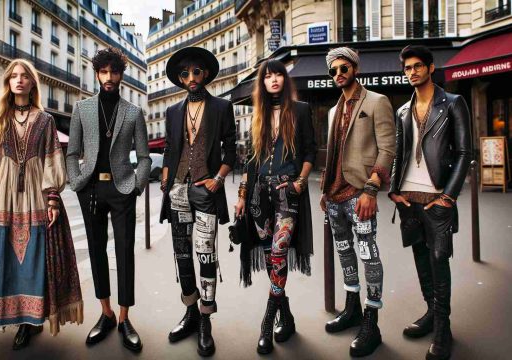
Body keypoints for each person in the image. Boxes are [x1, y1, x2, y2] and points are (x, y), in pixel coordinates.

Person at [0, 59, 83, 350]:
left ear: (33, 83)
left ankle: (31, 320)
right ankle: (19, 319)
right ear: (8, 83)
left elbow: (52, 160)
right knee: (8, 257)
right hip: (5, 197)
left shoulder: (45, 120)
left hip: (36, 195)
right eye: (14, 76)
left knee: (36, 257)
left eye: (25, 76)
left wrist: (52, 198)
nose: (19, 80)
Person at [389, 45, 471, 360]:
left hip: (438, 198)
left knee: (439, 261)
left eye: (417, 66)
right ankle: (430, 313)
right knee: (421, 259)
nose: (412, 72)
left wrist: (448, 196)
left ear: (431, 67)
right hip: (408, 199)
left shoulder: (453, 103)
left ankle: (442, 327)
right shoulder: (402, 111)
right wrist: (394, 191)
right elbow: (399, 153)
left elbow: (465, 152)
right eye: (407, 68)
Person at [66, 47, 151, 352]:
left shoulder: (133, 112)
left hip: (122, 189)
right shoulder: (82, 109)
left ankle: (125, 318)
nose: (109, 77)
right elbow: (72, 152)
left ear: (120, 75)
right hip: (90, 189)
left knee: (124, 251)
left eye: (114, 72)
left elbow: (144, 158)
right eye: (104, 72)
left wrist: (136, 186)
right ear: (97, 74)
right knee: (96, 251)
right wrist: (76, 182)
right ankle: (105, 313)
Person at [234, 59, 317, 354]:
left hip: (286, 192)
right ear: (263, 82)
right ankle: (288, 317)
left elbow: (310, 151)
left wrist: (300, 181)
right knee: (272, 259)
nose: (273, 80)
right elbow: (251, 161)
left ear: (284, 78)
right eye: (267, 76)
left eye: (277, 74)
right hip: (260, 197)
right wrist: (243, 194)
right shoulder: (258, 115)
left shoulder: (301, 110)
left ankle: (267, 322)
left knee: (280, 249)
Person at [159, 46, 236, 357]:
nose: (191, 77)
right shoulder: (173, 112)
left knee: (206, 255)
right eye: (185, 73)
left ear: (205, 74)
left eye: (196, 72)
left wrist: (218, 180)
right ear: (180, 78)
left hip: (206, 192)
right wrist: (166, 180)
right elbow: (168, 148)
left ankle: (205, 319)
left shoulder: (221, 107)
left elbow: (231, 149)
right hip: (178, 190)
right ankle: (190, 313)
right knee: (182, 256)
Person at [320, 47, 395, 357]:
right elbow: (333, 152)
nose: (338, 74)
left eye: (343, 68)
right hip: (335, 196)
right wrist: (325, 191)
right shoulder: (331, 111)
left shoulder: (377, 101)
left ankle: (371, 322)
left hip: (360, 193)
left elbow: (388, 149)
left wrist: (371, 189)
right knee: (345, 253)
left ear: (355, 68)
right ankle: (351, 307)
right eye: (333, 70)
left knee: (368, 253)